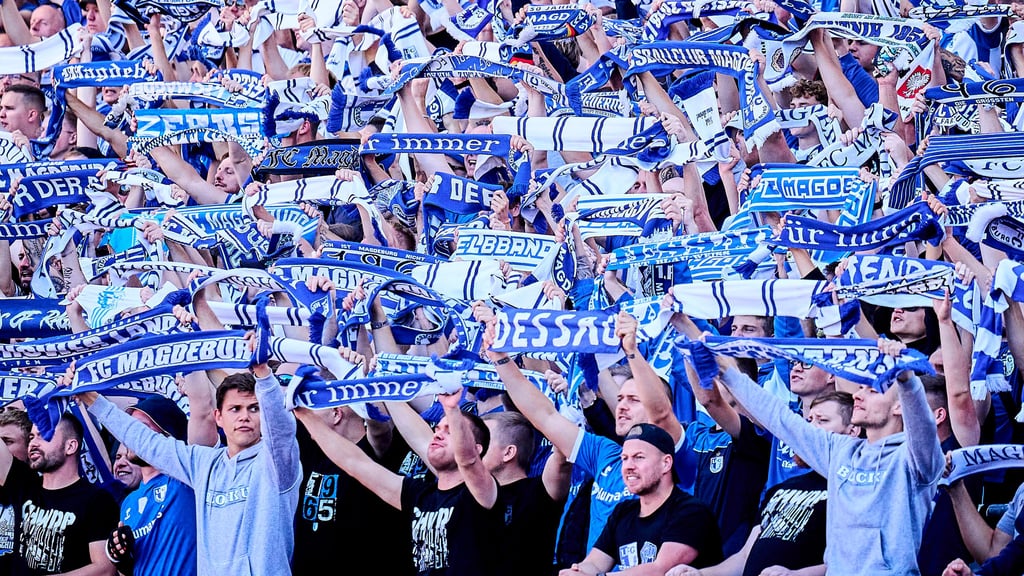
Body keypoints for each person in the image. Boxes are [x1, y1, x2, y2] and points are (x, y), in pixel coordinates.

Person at [708, 334, 945, 575]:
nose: (858, 395)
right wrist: (727, 373)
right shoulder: (840, 450)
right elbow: (779, 418)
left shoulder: (916, 459)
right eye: (859, 388)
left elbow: (923, 428)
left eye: (872, 390)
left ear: (898, 406)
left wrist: (906, 380)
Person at [75, 334, 302, 576]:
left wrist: (264, 376)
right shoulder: (203, 464)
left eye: (254, 408)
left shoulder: (278, 462)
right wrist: (91, 399)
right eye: (235, 409)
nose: (244, 416)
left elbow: (282, 429)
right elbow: (144, 441)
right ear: (219, 418)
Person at [295, 383, 502, 575]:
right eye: (437, 429)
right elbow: (353, 462)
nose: (437, 435)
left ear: (477, 449)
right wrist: (303, 414)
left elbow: (467, 461)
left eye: (449, 431)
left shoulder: (481, 493)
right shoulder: (419, 495)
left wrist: (452, 410)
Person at [667, 391, 861, 576]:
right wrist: (700, 573)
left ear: (852, 430)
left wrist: (796, 574)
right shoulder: (780, 489)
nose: (809, 428)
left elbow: (854, 560)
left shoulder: (854, 488)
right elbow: (743, 559)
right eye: (809, 420)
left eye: (823, 421)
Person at [560, 424, 723, 575]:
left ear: (666, 463)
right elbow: (594, 563)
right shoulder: (623, 511)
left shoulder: (691, 512)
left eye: (638, 457)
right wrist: (578, 571)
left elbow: (660, 570)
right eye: (624, 458)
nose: (628, 466)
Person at [0, 414, 119, 575]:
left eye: (44, 435)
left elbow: (105, 569)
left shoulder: (97, 500)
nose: (34, 443)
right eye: (32, 437)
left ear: (70, 446)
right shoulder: (25, 486)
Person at [103, 396, 198, 576]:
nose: (131, 436)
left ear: (167, 437)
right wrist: (122, 561)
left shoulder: (187, 481)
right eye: (130, 429)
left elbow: (202, 409)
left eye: (141, 429)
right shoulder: (129, 502)